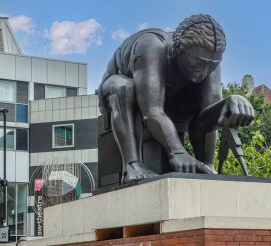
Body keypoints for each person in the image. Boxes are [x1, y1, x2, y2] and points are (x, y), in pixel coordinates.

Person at [98, 14, 254, 184]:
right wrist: (178, 152)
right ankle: (132, 165)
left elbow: (204, 120)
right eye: (197, 63)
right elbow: (152, 112)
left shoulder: (208, 60)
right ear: (177, 50)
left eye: (212, 65)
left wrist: (228, 105)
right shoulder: (151, 45)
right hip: (116, 91)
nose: (204, 72)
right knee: (124, 88)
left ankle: (207, 165)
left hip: (167, 97)